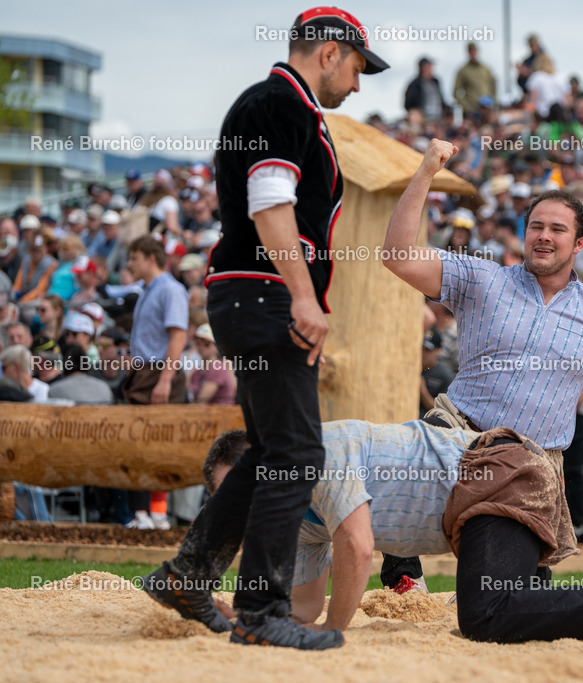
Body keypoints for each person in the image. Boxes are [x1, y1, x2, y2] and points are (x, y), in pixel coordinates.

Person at [142, 6, 389, 651]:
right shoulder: (282, 103)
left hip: (247, 295)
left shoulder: (276, 103)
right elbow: (271, 201)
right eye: (357, 67)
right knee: (297, 455)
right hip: (264, 294)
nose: (357, 84)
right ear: (329, 52)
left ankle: (190, 574)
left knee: (271, 449)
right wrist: (303, 298)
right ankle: (260, 610)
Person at [200, 423, 583, 654]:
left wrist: (333, 634)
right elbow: (306, 608)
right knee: (511, 606)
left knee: (486, 614)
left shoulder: (316, 454)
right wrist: (243, 619)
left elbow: (357, 547)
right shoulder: (295, 521)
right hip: (484, 492)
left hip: (499, 475)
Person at [381, 140, 583, 586]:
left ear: (580, 243)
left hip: (534, 462)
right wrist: (425, 174)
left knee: (511, 596)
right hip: (459, 431)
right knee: (404, 458)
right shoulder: (482, 278)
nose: (544, 236)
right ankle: (405, 584)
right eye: (536, 226)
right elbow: (398, 256)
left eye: (557, 229)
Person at [120, 235, 189, 531]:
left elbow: (178, 335)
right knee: (144, 442)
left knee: (152, 443)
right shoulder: (149, 290)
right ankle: (146, 514)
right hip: (146, 371)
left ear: (151, 258)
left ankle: (151, 513)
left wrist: (165, 379)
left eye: (134, 258)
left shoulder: (170, 289)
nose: (129, 264)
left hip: (158, 373)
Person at [188, 323, 235, 405]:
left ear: (216, 346)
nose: (201, 346)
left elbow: (201, 402)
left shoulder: (217, 368)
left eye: (206, 343)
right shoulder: (196, 372)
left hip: (221, 412)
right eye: (198, 343)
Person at [452, 42, 496, 116]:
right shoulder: (463, 71)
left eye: (474, 50)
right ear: (468, 52)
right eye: (471, 50)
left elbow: (493, 86)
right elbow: (456, 92)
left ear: (477, 51)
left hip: (487, 111)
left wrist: (493, 102)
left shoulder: (486, 69)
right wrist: (467, 107)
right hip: (472, 112)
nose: (473, 53)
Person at [404, 57, 446, 121]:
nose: (431, 69)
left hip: (438, 116)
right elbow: (408, 104)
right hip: (423, 118)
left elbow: (442, 100)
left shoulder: (435, 82)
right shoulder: (415, 84)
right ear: (422, 68)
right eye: (428, 67)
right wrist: (419, 113)